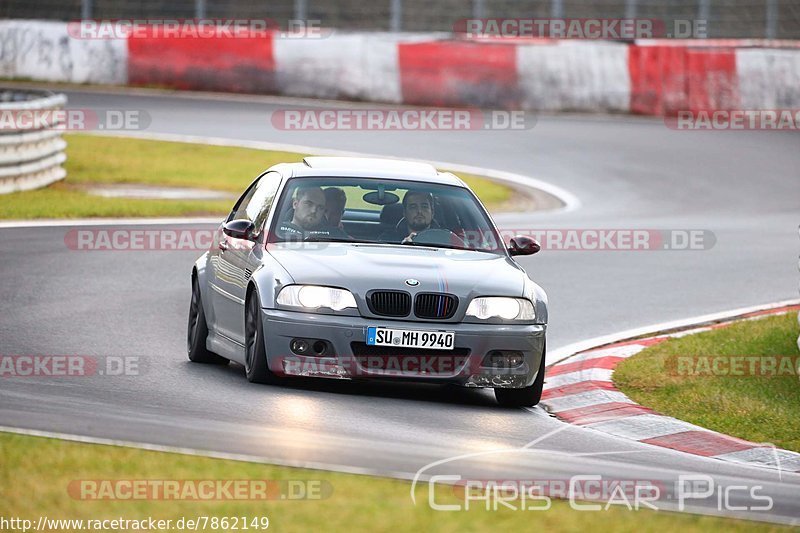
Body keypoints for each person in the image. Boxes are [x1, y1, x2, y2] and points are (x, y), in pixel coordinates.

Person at [278, 186, 348, 240]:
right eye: (308, 204)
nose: (314, 210)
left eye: (320, 207)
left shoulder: (334, 234)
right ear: (295, 204)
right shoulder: (278, 231)